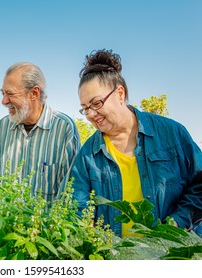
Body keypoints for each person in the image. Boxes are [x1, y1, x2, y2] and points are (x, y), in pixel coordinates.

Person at [71, 49, 202, 237]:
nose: (91, 114)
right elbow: (78, 207)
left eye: (97, 103)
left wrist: (177, 223)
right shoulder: (87, 155)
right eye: (85, 108)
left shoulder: (171, 133)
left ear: (120, 93)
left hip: (172, 255)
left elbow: (199, 186)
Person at [0, 62, 81, 204]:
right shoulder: (3, 127)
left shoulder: (64, 128)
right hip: (8, 224)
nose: (4, 101)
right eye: (3, 93)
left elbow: (71, 187)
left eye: (10, 94)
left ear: (34, 93)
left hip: (45, 225)